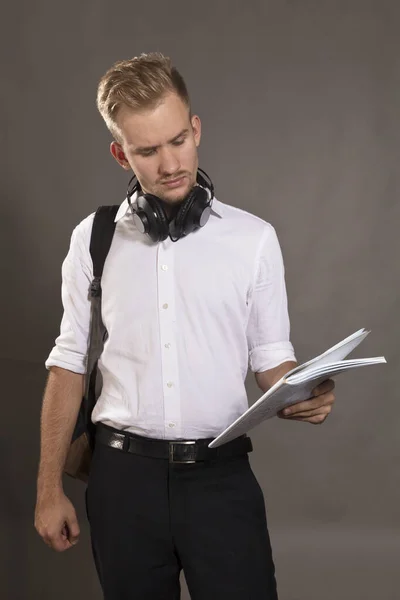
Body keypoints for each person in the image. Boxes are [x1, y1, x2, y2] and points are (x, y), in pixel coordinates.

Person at [34, 52, 336, 599]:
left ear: (196, 128)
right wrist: (47, 489)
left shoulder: (253, 239)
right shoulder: (94, 239)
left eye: (178, 140)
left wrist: (302, 390)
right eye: (146, 151)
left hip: (221, 481)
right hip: (121, 482)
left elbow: (272, 358)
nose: (170, 163)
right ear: (120, 153)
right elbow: (68, 362)